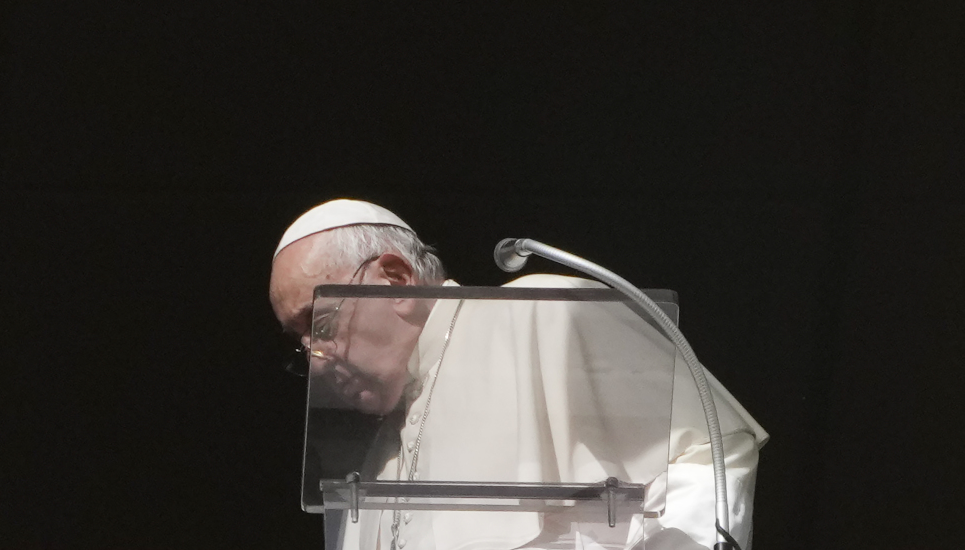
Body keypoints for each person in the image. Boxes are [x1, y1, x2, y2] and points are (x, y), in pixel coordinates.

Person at [270, 199, 769, 550]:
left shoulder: (537, 314)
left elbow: (703, 466)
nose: (315, 357)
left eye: (321, 323)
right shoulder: (363, 462)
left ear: (396, 279)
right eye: (300, 343)